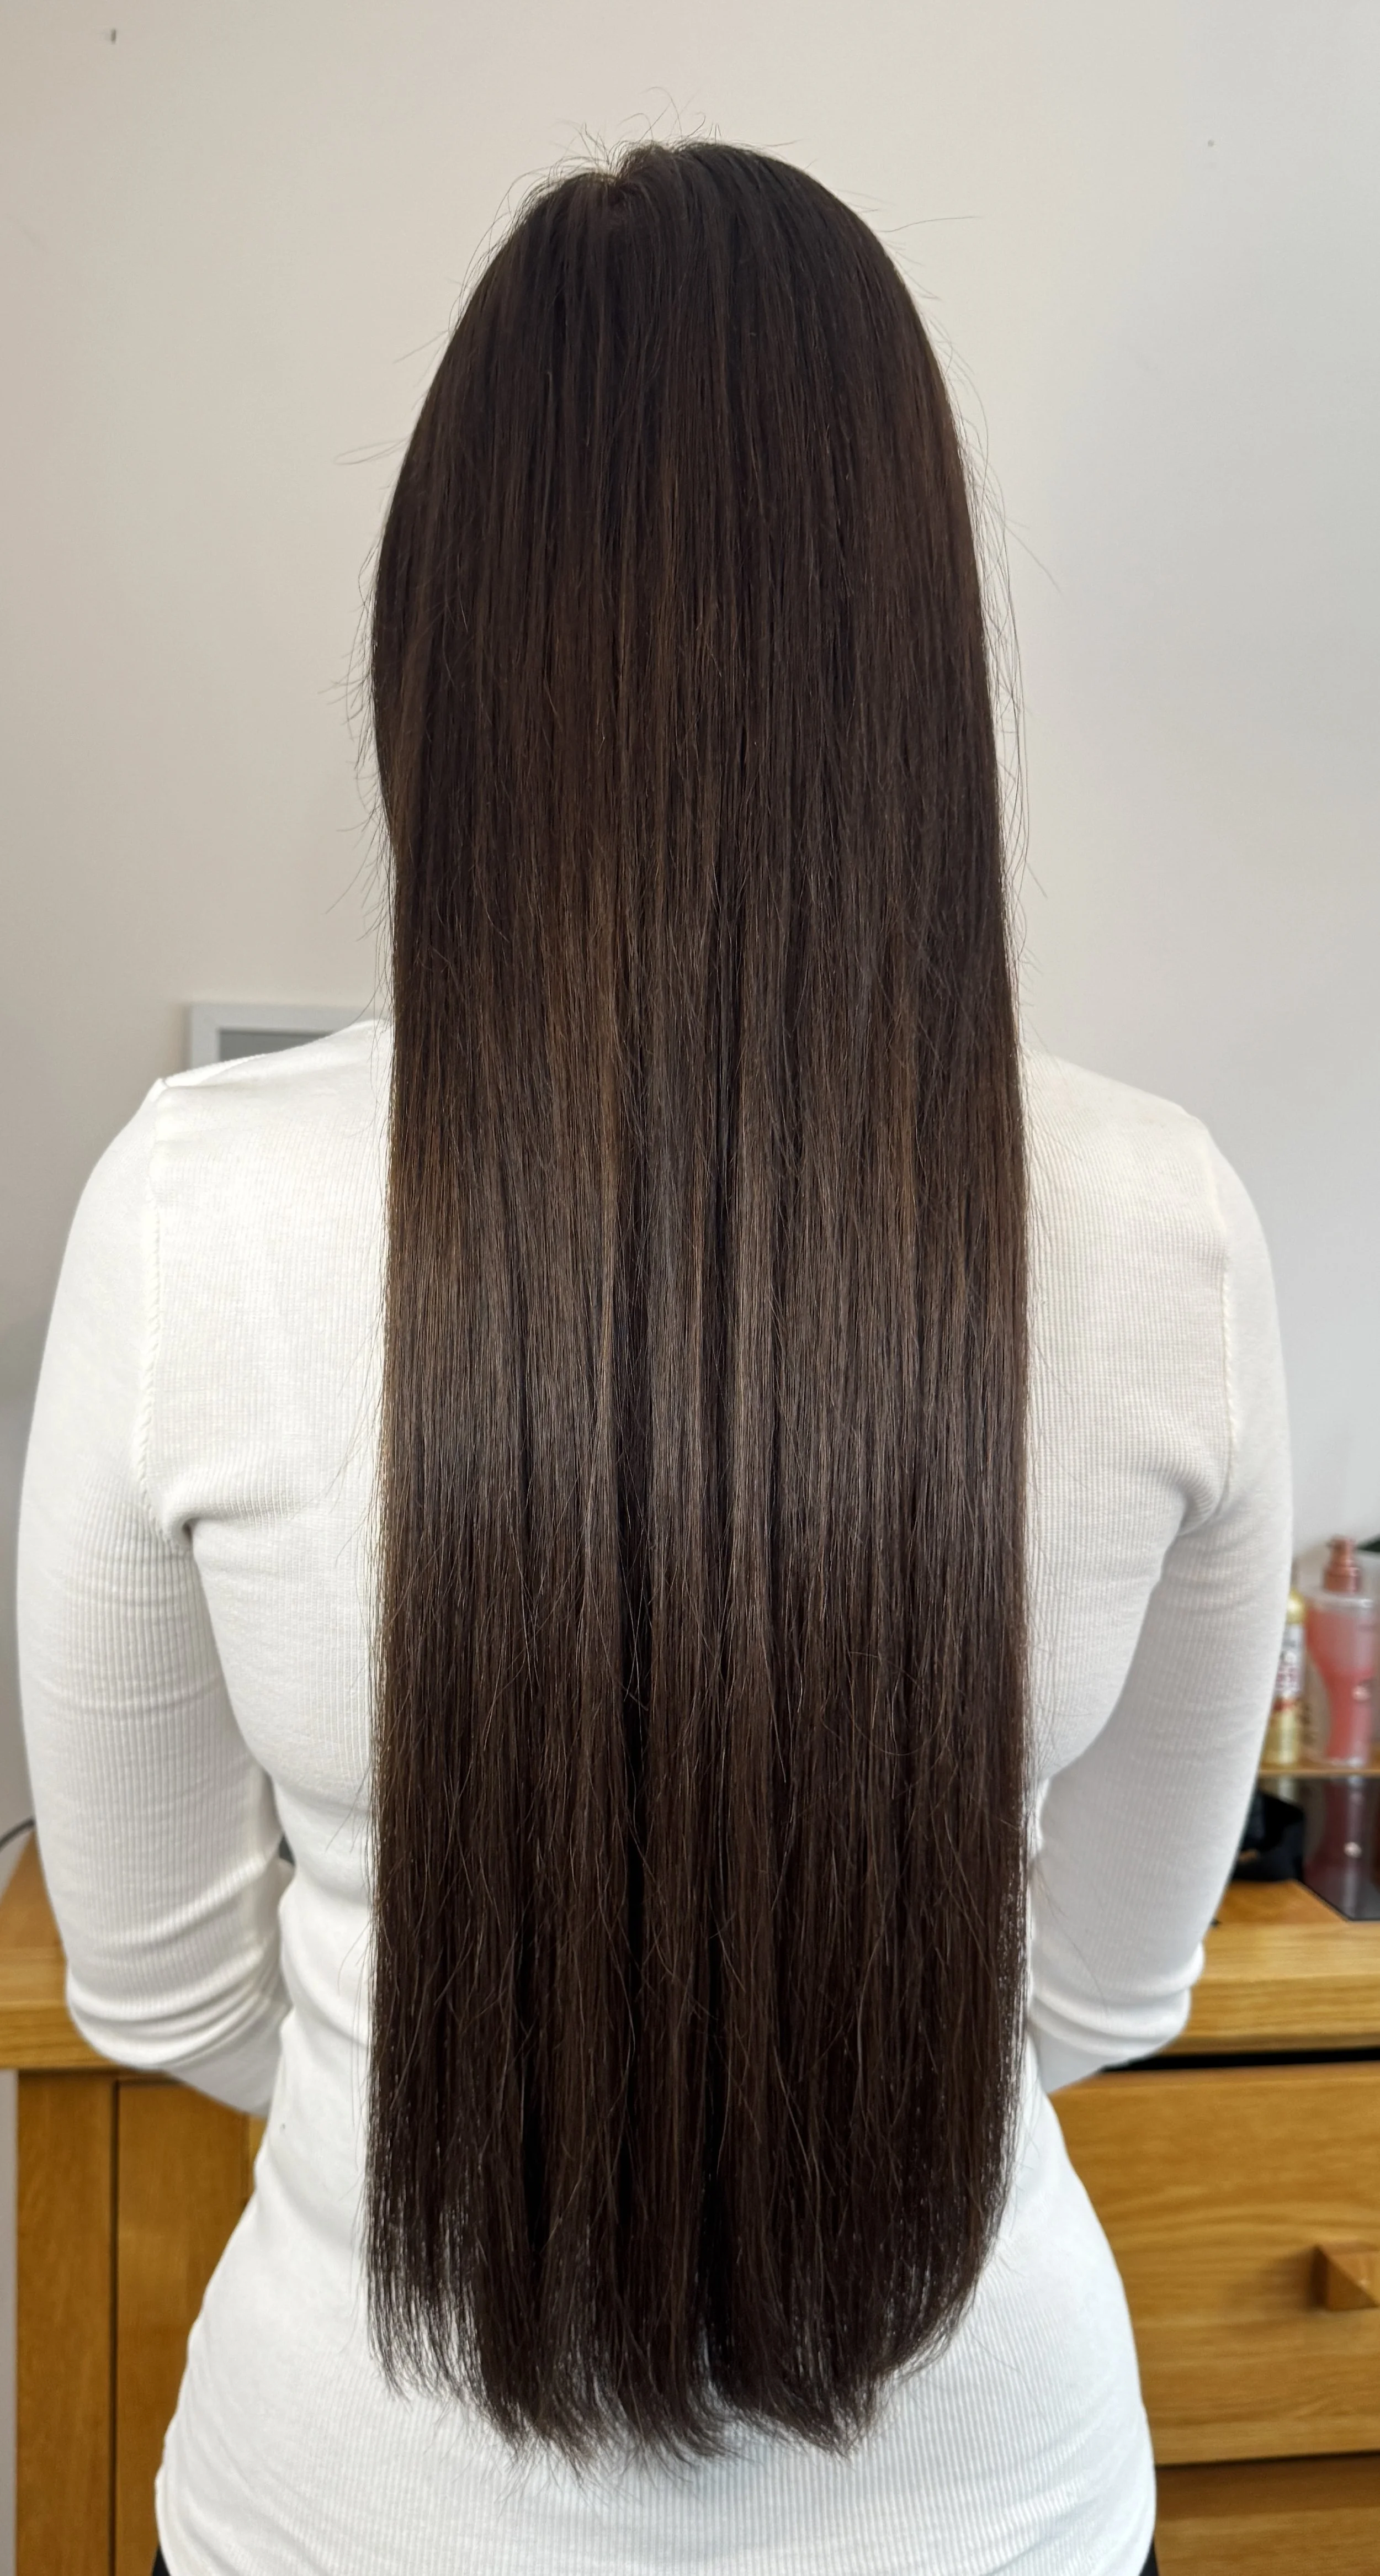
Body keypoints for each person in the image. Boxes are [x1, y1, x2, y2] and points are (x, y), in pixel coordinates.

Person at [16, 139, 1289, 2576]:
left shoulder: (194, 1210)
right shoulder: (1168, 1229)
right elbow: (1107, 1987)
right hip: (988, 2503)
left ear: (447, 643)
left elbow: (162, 1974)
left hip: (352, 2501)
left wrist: (491, 2130)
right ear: (912, 650)